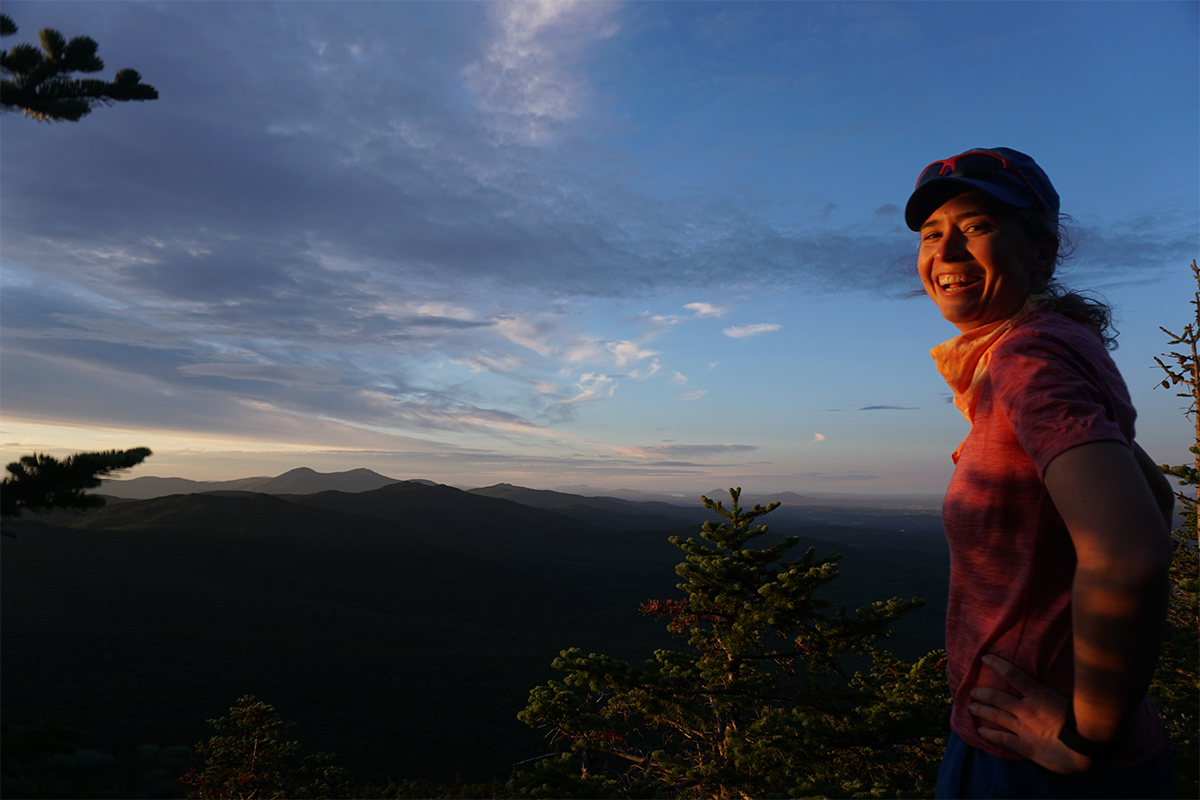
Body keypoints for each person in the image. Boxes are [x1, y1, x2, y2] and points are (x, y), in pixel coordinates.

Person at [905, 147, 1177, 798]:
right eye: (932, 234)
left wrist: (1086, 736)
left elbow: (1131, 552)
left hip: (1030, 763)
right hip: (1037, 742)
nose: (947, 252)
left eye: (976, 227)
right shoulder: (1045, 347)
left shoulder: (1030, 359)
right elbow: (1158, 495)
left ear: (1042, 252)